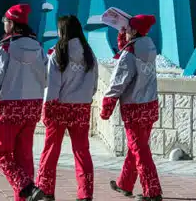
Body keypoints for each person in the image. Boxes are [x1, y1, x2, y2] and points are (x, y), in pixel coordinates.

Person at [0, 4, 47, 201]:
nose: (4, 26)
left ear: (12, 23)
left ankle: (26, 188)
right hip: (32, 107)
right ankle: (25, 196)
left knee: (1, 153)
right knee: (24, 156)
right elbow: (45, 78)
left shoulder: (6, 48)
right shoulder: (38, 47)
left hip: (10, 107)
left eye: (5, 22)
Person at [100, 14, 162, 201]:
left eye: (127, 28)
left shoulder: (130, 53)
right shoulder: (148, 46)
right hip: (149, 105)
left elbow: (118, 82)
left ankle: (152, 191)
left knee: (140, 150)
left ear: (134, 31)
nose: (124, 31)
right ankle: (124, 184)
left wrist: (107, 106)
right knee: (136, 147)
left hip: (134, 108)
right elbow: (128, 52)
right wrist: (124, 39)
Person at [36, 15, 98, 201]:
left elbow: (53, 85)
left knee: (51, 150)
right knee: (82, 151)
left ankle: (46, 191)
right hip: (81, 108)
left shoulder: (58, 53)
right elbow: (94, 85)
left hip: (59, 107)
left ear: (62, 31)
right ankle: (85, 193)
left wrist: (48, 107)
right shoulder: (89, 53)